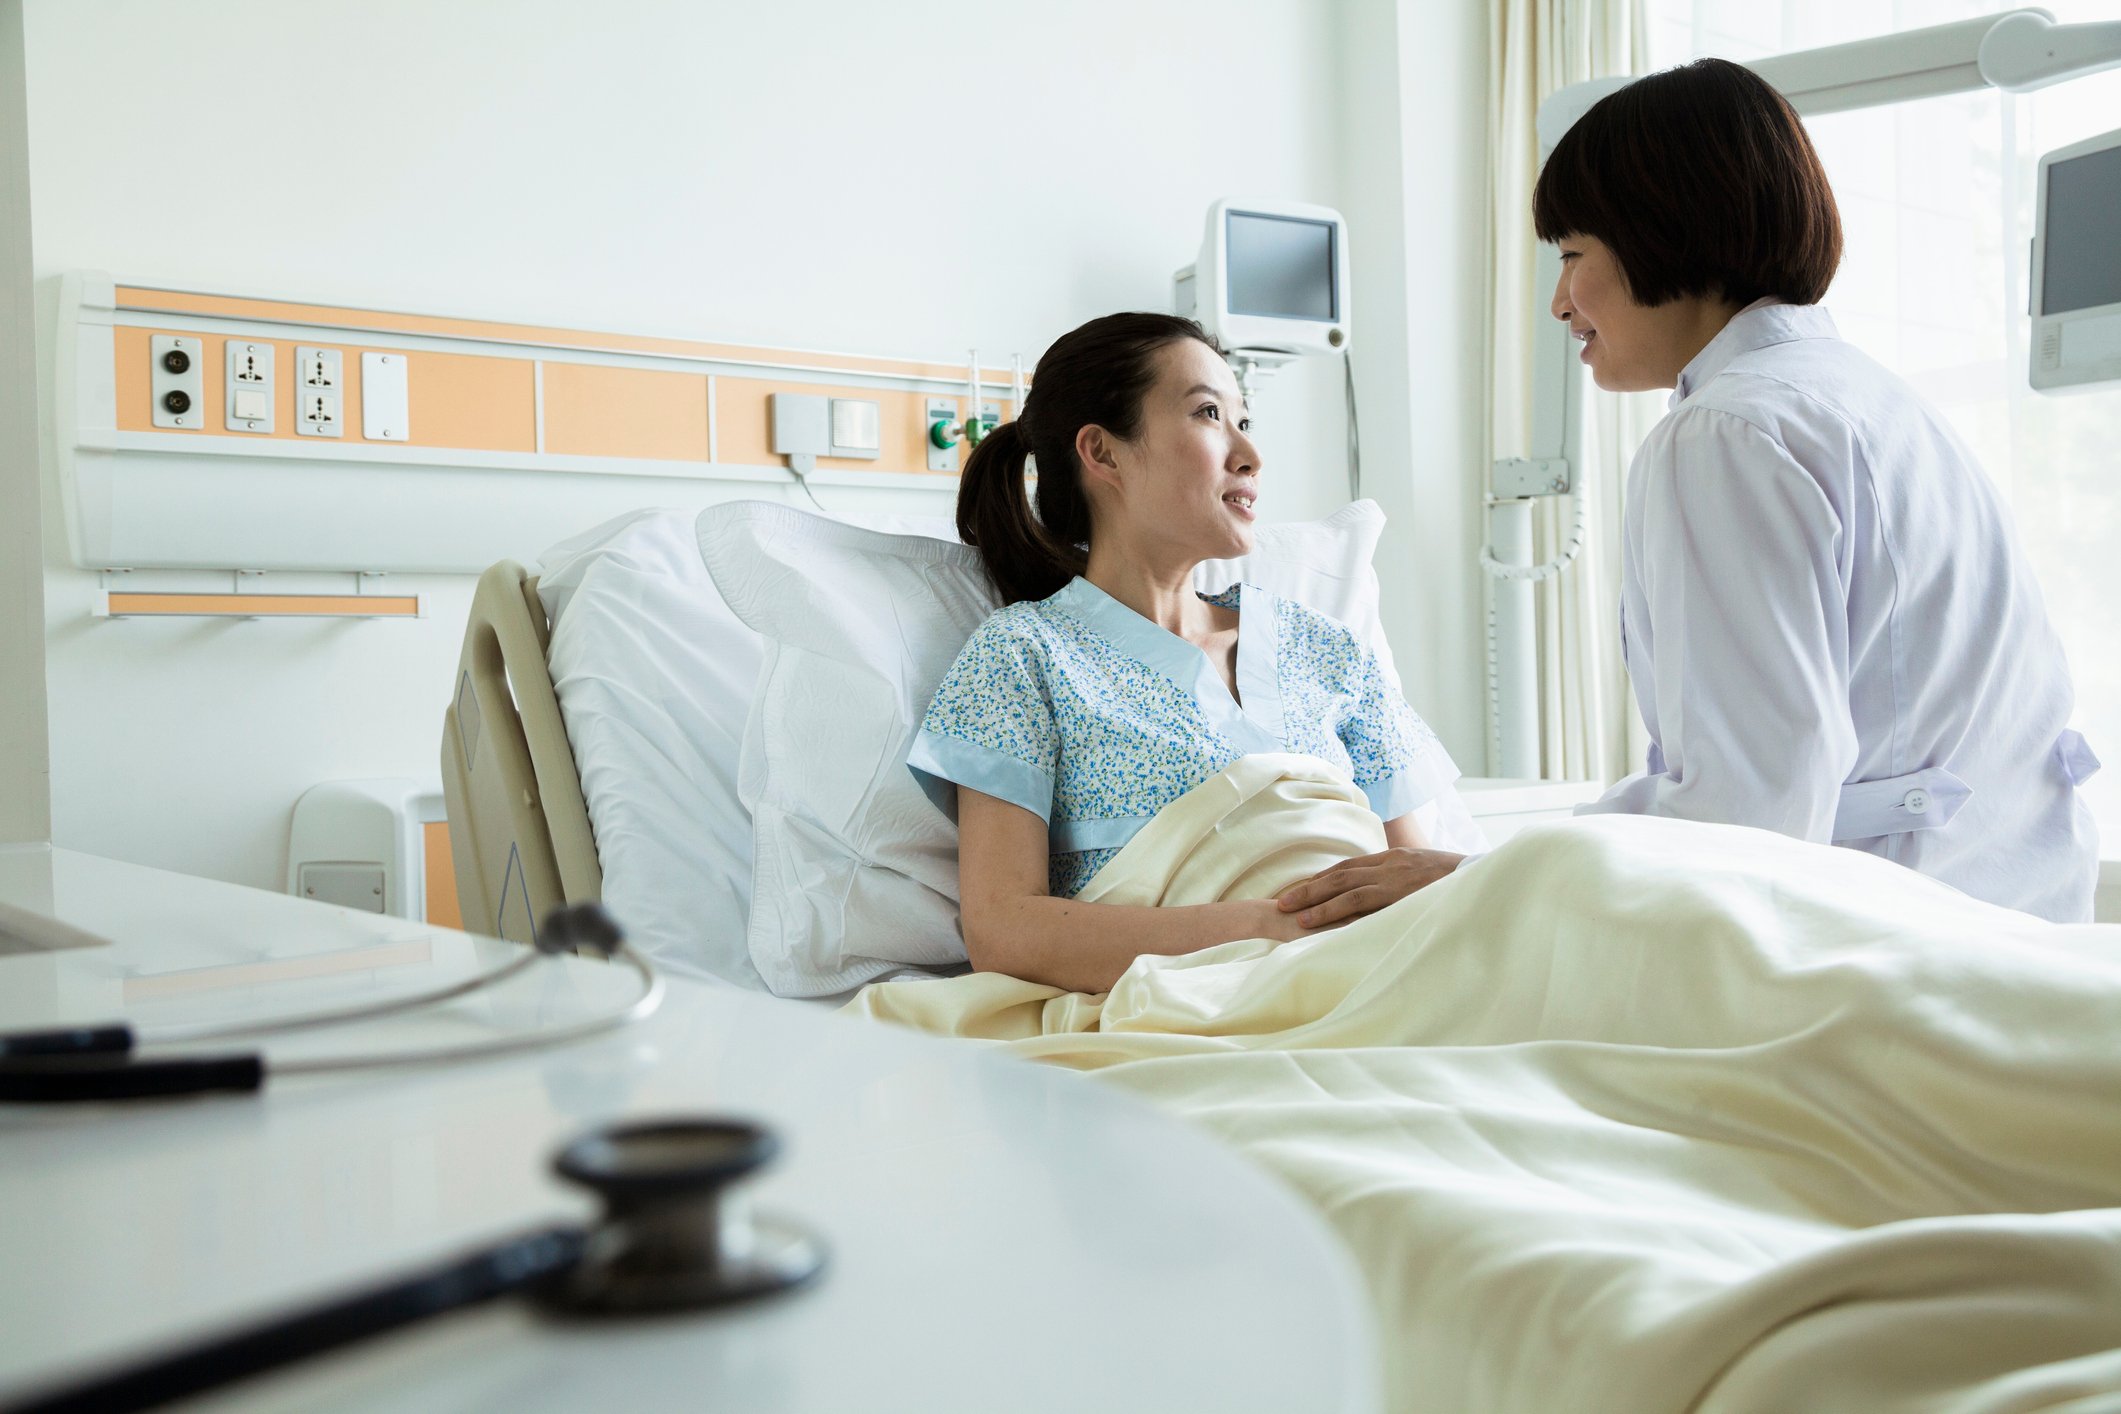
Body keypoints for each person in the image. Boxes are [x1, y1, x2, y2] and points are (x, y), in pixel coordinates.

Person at [1283, 57, 2099, 927]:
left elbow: (1743, 815)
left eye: (1571, 255)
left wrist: (1479, 887)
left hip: (1878, 950)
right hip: (2020, 920)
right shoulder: (1871, 401)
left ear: (1659, 230)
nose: (1559, 303)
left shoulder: (1728, 433)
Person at [907, 311, 1465, 992]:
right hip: (1205, 1007)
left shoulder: (1323, 647)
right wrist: (1271, 933)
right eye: (1208, 413)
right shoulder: (1025, 656)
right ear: (1103, 453)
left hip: (1391, 978)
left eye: (1244, 421)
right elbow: (1003, 930)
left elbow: (1423, 881)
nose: (1249, 454)